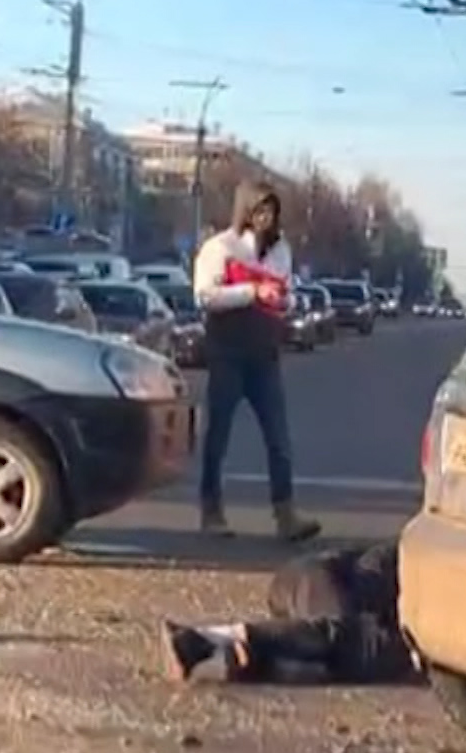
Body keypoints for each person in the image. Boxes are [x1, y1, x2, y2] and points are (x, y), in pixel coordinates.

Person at [192, 180, 321, 542]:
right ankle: (211, 511)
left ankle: (285, 514)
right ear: (245, 210)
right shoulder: (220, 247)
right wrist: (251, 292)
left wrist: (285, 301)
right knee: (218, 436)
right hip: (227, 352)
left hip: (265, 354)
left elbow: (289, 294)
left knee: (279, 439)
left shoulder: (281, 251)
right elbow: (204, 296)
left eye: (272, 211)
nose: (267, 218)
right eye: (260, 210)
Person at [159, 540, 417, 685]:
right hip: (315, 579)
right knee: (357, 645)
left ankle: (229, 659)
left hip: (297, 591)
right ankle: (200, 639)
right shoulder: (403, 561)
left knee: (348, 657)